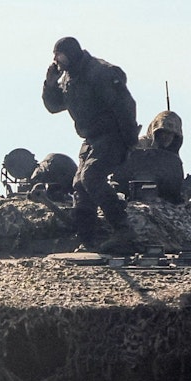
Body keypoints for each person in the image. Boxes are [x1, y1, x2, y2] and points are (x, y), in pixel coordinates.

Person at [42, 37, 140, 250]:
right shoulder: (68, 78)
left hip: (113, 135)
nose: (55, 59)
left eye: (58, 54)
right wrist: (50, 85)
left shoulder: (100, 72)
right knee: (80, 185)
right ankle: (87, 239)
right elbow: (54, 106)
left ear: (70, 53)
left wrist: (130, 141)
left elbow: (125, 105)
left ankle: (123, 229)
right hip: (91, 139)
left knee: (91, 176)